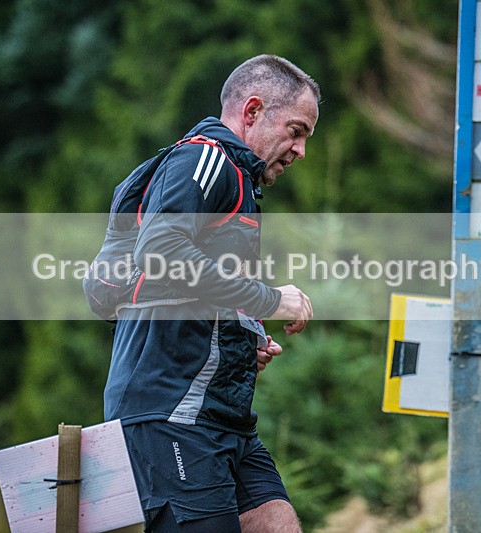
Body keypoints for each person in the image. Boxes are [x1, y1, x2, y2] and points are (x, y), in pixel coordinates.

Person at [103, 55, 319, 532]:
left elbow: (198, 286)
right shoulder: (205, 158)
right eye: (297, 130)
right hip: (171, 411)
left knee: (277, 523)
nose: (301, 150)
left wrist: (244, 342)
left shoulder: (238, 180)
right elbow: (160, 249)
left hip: (222, 414)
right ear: (253, 110)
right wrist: (270, 298)